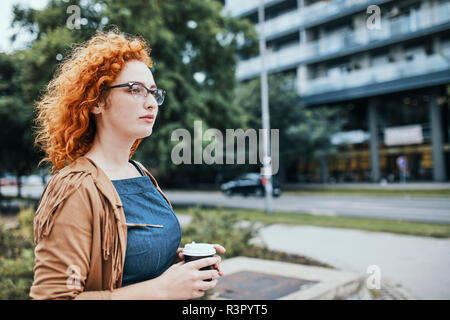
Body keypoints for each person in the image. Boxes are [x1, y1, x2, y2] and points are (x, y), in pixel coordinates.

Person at [30, 30, 225, 300]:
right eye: (135, 90)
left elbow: (131, 267)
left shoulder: (140, 172)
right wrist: (160, 290)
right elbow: (52, 297)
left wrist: (183, 267)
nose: (151, 103)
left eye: (154, 93)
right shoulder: (75, 188)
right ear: (97, 101)